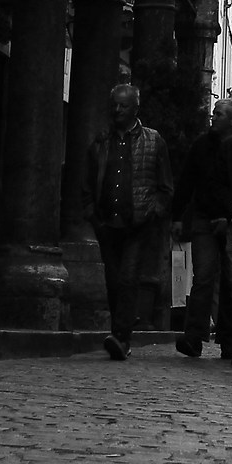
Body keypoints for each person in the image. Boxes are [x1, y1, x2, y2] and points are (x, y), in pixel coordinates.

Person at [81, 82, 174, 360]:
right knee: (112, 278)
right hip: (107, 221)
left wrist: (153, 211)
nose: (117, 110)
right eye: (114, 105)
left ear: (135, 108)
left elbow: (166, 186)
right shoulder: (101, 141)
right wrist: (91, 212)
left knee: (128, 277)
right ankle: (118, 333)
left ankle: (121, 337)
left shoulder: (153, 140)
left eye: (123, 105)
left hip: (137, 222)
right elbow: (87, 180)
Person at [173, 98, 232, 365]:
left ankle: (229, 338)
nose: (214, 117)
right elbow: (187, 180)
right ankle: (194, 336)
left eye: (219, 114)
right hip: (204, 218)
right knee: (204, 277)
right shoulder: (202, 145)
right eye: (214, 113)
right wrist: (177, 216)